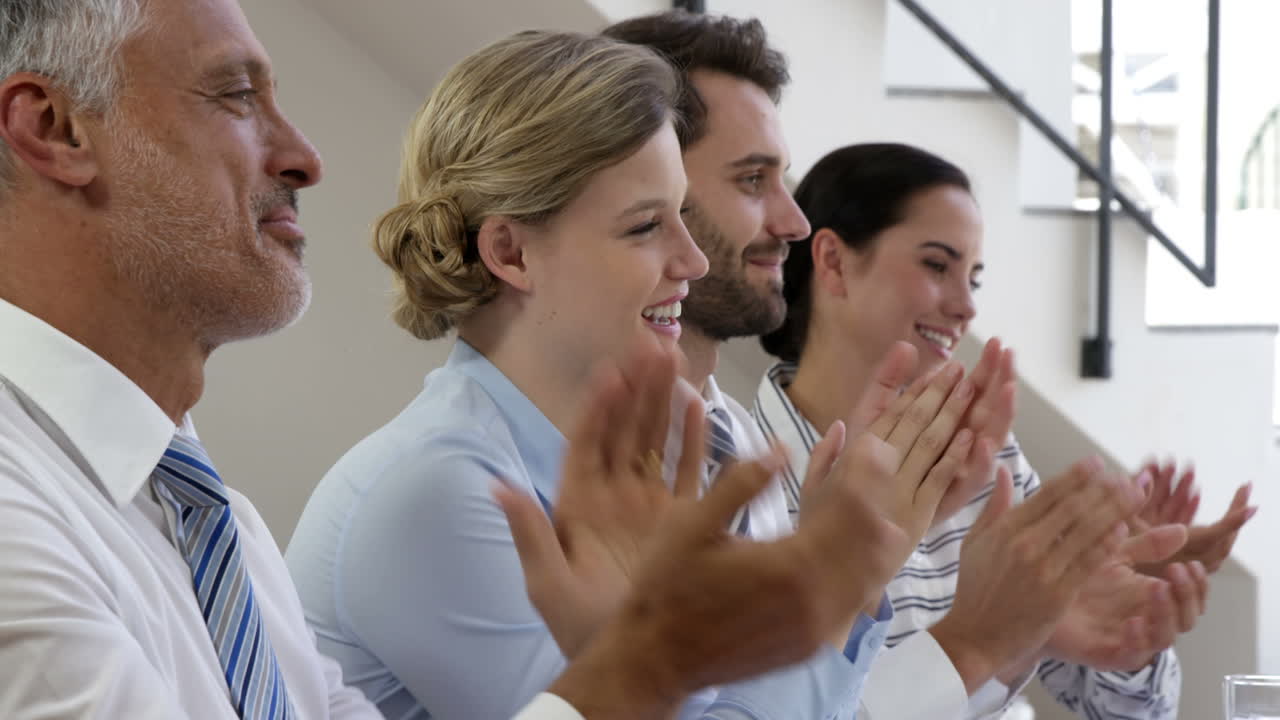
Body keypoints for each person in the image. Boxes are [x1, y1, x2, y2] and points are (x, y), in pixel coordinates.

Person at [0, 2, 987, 718]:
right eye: (234, 94)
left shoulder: (209, 518)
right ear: (51, 128)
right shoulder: (438, 491)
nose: (305, 155)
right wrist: (659, 659)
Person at [285, 25, 989, 720]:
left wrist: (848, 567)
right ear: (512, 252)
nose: (694, 261)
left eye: (683, 215)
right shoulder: (437, 494)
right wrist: (841, 576)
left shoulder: (661, 459)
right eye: (646, 226)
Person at [754, 142, 1255, 718]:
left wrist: (1128, 613)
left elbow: (1129, 711)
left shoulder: (984, 456)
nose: (966, 306)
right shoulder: (744, 478)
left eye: (975, 277)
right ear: (834, 261)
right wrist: (992, 641)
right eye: (937, 265)